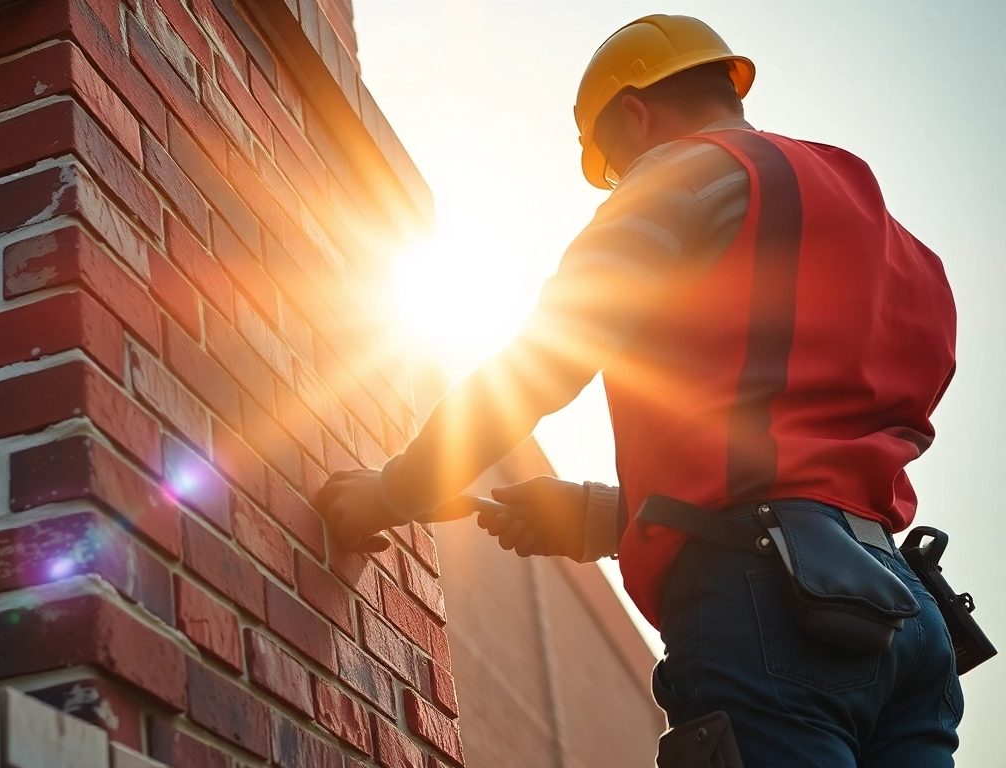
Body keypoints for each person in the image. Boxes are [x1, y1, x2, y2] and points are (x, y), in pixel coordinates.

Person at [313, 14, 963, 767]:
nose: (620, 181)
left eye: (612, 164)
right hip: (903, 616)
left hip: (769, 613)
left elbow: (542, 365)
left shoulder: (685, 172)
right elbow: (804, 455)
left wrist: (393, 493)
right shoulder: (887, 229)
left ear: (633, 112)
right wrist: (603, 518)